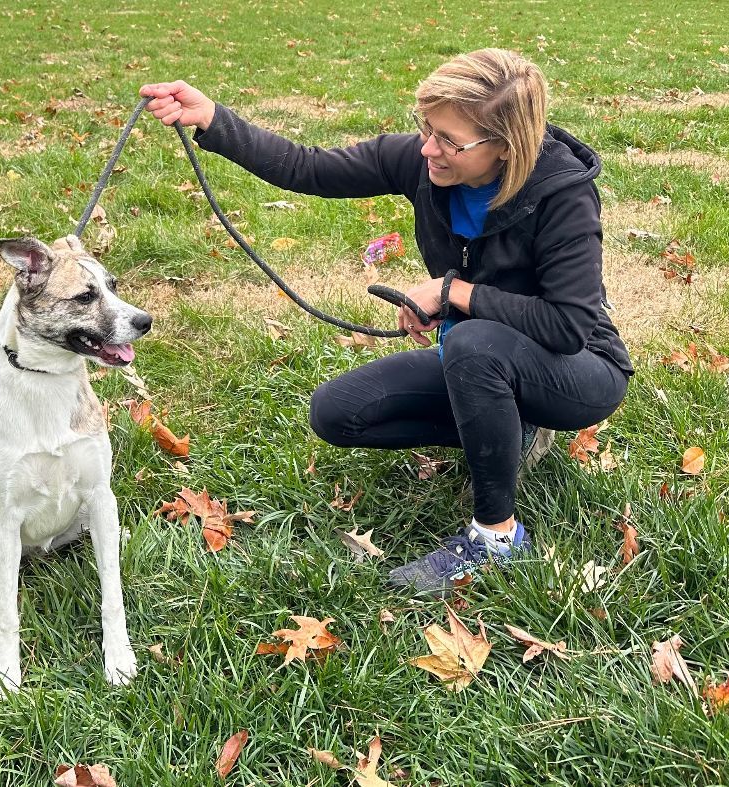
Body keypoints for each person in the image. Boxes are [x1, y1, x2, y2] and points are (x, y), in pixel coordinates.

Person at [140, 48, 632, 595]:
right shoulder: (422, 163)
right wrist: (213, 118)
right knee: (338, 413)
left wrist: (453, 293)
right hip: (484, 358)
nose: (428, 148)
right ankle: (508, 429)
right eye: (426, 128)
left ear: (505, 147)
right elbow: (308, 167)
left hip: (580, 370)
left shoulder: (562, 194)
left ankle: (497, 538)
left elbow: (568, 324)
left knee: (473, 344)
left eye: (449, 140)